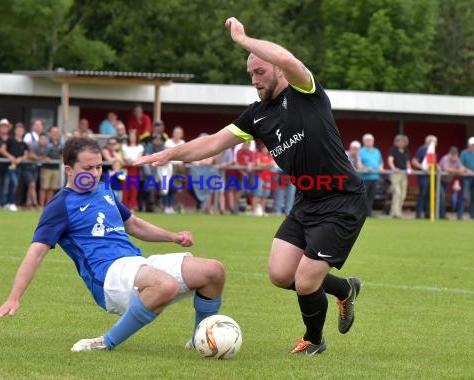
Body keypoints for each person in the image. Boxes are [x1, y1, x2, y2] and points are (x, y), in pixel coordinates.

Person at [136, 17, 365, 355]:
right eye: (251, 75)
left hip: (341, 199)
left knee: (304, 281)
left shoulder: (306, 92)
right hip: (307, 202)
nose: (255, 80)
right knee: (280, 273)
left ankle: (314, 341)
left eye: (261, 72)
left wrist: (244, 41)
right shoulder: (257, 116)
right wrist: (170, 153)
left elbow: (288, 59)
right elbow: (212, 143)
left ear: (278, 71)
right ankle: (344, 289)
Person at [0, 137, 226, 353]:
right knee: (165, 285)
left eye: (99, 167)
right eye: (88, 168)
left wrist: (172, 236)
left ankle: (199, 340)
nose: (95, 173)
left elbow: (133, 224)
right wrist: (14, 297)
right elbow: (36, 253)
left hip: (136, 264)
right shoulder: (59, 206)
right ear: (69, 170)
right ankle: (105, 342)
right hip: (108, 276)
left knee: (214, 271)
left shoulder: (105, 190)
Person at [438, 146, 468, 219]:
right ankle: (442, 215)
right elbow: (446, 169)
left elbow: (462, 168)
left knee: (442, 197)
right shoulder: (445, 158)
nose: (453, 157)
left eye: (455, 155)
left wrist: (456, 170)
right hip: (439, 180)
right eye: (452, 155)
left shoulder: (457, 160)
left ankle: (440, 214)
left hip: (447, 181)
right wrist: (457, 171)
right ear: (449, 154)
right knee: (441, 196)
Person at [411, 135, 437, 219]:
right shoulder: (422, 149)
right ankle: (418, 213)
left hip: (431, 175)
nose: (436, 144)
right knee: (423, 193)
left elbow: (432, 163)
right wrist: (423, 168)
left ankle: (427, 213)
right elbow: (414, 161)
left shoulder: (432, 151)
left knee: (430, 194)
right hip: (423, 176)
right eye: (435, 142)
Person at [359, 133, 383, 217]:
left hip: (375, 177)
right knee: (364, 197)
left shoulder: (377, 151)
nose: (369, 142)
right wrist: (365, 168)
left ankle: (369, 213)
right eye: (367, 140)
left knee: (371, 197)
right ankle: (363, 213)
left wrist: (380, 167)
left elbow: (380, 162)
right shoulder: (361, 151)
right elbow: (359, 164)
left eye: (371, 140)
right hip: (364, 178)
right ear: (364, 141)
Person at [387, 135, 411, 219]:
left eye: (403, 141)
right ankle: (394, 212)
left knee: (403, 194)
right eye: (399, 141)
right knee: (397, 192)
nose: (401, 143)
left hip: (404, 174)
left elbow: (407, 161)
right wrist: (393, 168)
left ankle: (398, 211)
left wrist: (409, 168)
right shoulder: (393, 150)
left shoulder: (406, 150)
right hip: (396, 174)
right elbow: (390, 160)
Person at [39, 126, 63, 207]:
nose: (55, 134)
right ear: (50, 133)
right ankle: (41, 206)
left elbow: (62, 153)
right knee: (44, 187)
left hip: (56, 168)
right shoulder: (46, 142)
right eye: (53, 132)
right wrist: (45, 157)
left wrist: (62, 157)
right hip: (46, 168)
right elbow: (41, 152)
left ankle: (48, 206)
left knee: (52, 189)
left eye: (56, 132)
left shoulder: (60, 143)